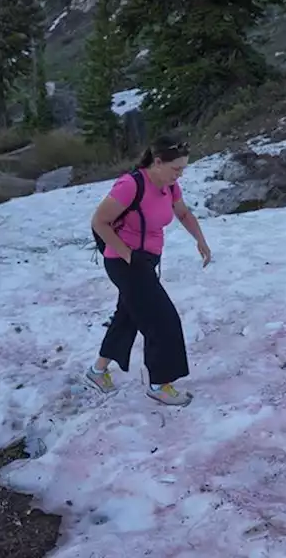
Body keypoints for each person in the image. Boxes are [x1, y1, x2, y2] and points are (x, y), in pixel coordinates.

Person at [86, 135, 212, 406]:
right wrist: (129, 256)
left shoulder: (170, 186)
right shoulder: (130, 185)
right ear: (157, 162)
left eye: (183, 169)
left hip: (146, 260)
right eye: (176, 168)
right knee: (163, 320)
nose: (180, 174)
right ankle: (160, 384)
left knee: (128, 316)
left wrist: (200, 240)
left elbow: (183, 214)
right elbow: (99, 221)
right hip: (125, 261)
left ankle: (97, 370)